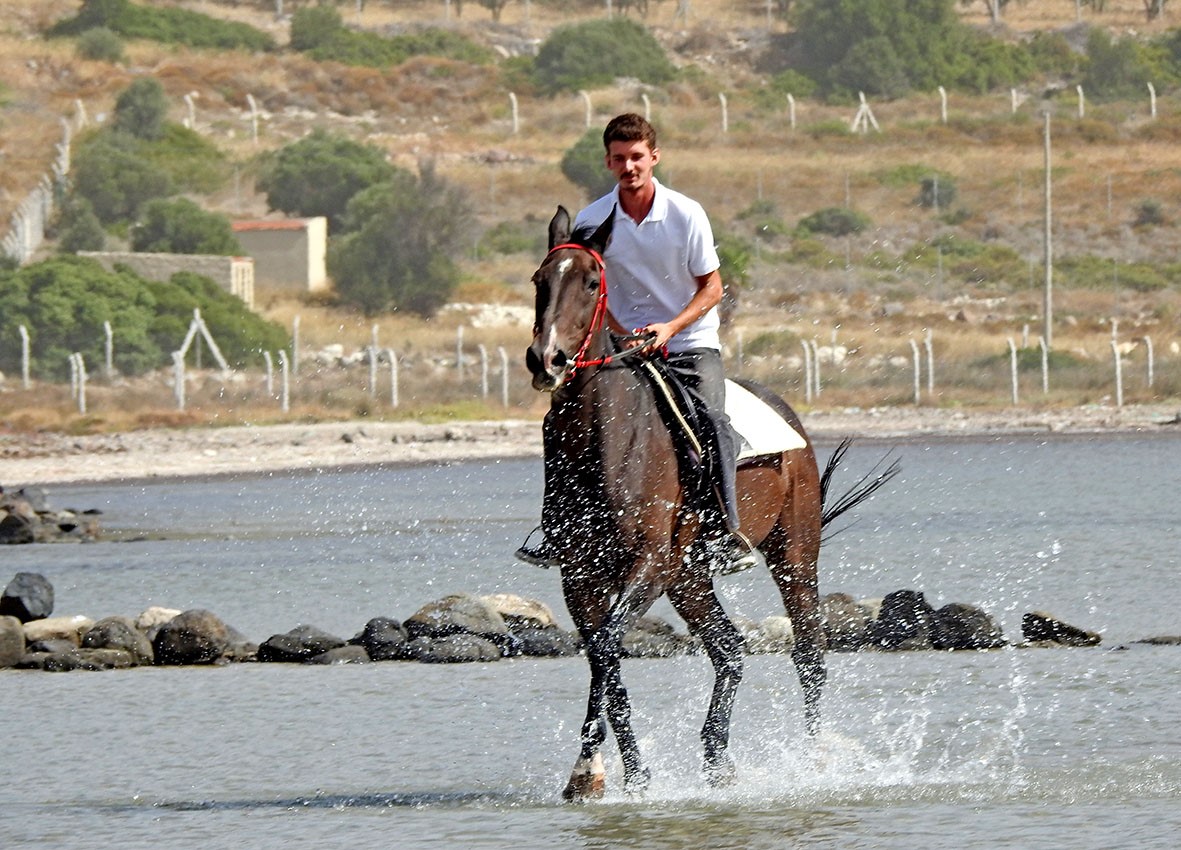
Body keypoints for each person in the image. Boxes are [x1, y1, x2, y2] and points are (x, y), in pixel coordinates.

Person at [517, 112, 756, 573]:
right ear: (608, 163)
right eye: (619, 159)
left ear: (654, 157)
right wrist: (617, 334)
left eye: (637, 158)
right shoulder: (591, 220)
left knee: (710, 420)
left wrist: (668, 328)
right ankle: (557, 528)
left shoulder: (686, 214)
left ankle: (726, 531)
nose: (629, 167)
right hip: (621, 347)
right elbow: (586, 292)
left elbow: (712, 288)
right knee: (557, 424)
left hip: (688, 343)